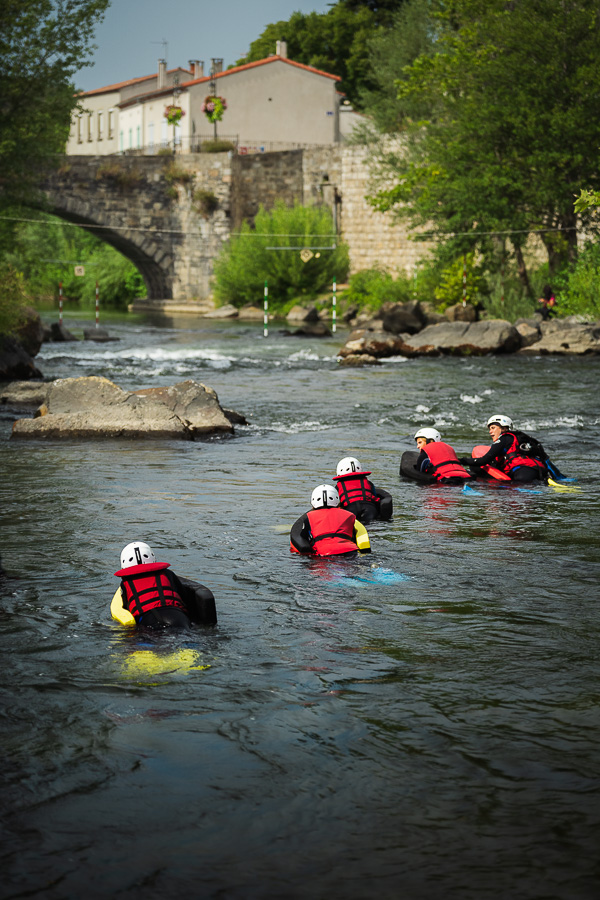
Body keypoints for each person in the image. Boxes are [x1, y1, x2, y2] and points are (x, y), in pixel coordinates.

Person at [113, 541, 216, 627]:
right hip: (177, 617)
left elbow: (126, 610)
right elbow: (184, 597)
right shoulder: (167, 574)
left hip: (149, 620)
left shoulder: (126, 584)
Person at [460, 415, 547, 483]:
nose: (490, 432)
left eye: (493, 428)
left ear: (504, 428)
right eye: (489, 429)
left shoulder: (503, 438)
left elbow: (484, 460)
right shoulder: (522, 439)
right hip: (541, 472)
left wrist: (460, 461)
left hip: (522, 474)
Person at [290, 484, 370, 557]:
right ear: (337, 500)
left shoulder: (309, 517)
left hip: (324, 554)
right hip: (350, 551)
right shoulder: (350, 516)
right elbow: (358, 535)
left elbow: (302, 538)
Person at [332, 457, 393, 523]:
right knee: (370, 525)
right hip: (369, 508)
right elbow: (374, 496)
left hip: (350, 509)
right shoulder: (368, 483)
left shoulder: (338, 486)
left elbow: (335, 503)